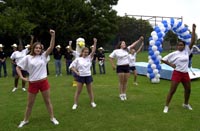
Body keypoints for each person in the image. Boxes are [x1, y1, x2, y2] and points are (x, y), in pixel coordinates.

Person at [16, 29, 59, 128]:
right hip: (33, 83)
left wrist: (53, 36)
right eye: (36, 48)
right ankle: (25, 120)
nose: (38, 49)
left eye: (39, 48)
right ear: (33, 48)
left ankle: (52, 118)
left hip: (43, 82)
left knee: (47, 101)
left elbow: (51, 47)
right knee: (30, 104)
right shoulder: (27, 58)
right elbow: (18, 67)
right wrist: (22, 77)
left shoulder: (43, 56)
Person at [162, 24, 196, 113]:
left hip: (185, 73)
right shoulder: (174, 53)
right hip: (177, 73)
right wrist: (171, 65)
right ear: (177, 46)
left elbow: (192, 41)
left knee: (188, 89)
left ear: (184, 46)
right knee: (172, 90)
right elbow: (163, 59)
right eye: (179, 45)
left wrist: (193, 30)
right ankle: (166, 106)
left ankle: (185, 104)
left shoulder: (187, 51)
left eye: (181, 45)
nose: (180, 46)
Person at [109, 36, 144, 101]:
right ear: (120, 45)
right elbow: (110, 58)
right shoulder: (116, 51)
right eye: (123, 43)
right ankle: (121, 94)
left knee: (125, 81)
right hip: (120, 67)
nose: (124, 44)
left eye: (124, 43)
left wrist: (139, 40)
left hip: (127, 67)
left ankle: (124, 94)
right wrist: (113, 65)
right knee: (121, 81)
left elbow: (133, 44)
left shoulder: (127, 49)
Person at [69, 38, 97, 110]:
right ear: (82, 52)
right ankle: (75, 104)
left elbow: (93, 51)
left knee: (90, 91)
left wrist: (95, 42)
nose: (86, 53)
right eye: (85, 52)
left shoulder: (89, 58)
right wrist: (76, 72)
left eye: (87, 52)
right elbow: (71, 67)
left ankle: (92, 102)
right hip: (80, 77)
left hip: (88, 76)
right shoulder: (78, 59)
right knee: (78, 91)